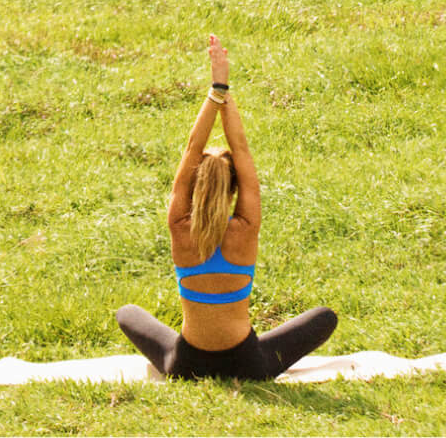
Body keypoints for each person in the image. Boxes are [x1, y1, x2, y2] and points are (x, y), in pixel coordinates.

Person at [115, 34, 338, 380]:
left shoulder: (179, 225)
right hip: (248, 364)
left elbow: (192, 149)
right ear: (235, 187)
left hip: (187, 365)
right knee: (325, 316)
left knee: (127, 312)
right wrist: (225, 92)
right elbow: (242, 150)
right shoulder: (245, 227)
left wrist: (216, 90)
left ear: (194, 185)